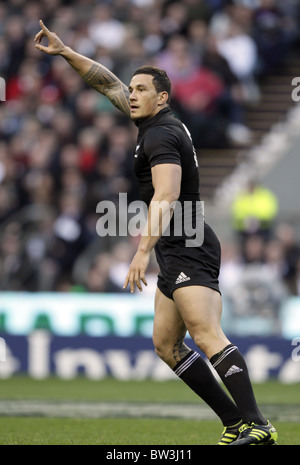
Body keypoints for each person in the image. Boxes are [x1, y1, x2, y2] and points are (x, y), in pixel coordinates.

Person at [34, 20, 278, 446]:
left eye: (140, 89)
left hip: (188, 243)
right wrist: (66, 51)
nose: (130, 93)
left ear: (161, 97)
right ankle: (235, 422)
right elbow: (106, 83)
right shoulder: (152, 124)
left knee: (206, 335)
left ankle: (257, 423)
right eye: (131, 88)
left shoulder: (161, 134)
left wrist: (140, 252)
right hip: (176, 244)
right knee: (167, 344)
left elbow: (166, 194)